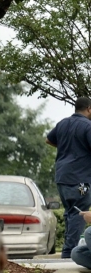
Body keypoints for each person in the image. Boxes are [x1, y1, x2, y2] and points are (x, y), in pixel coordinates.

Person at [46, 97, 91, 260]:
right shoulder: (87, 126)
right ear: (89, 109)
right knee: (80, 213)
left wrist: (67, 147)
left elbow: (48, 140)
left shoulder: (63, 123)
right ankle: (68, 253)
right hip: (80, 179)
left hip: (62, 177)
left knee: (70, 213)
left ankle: (67, 250)